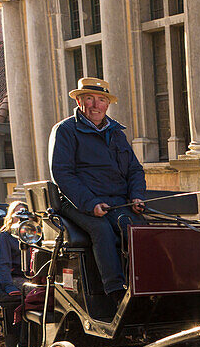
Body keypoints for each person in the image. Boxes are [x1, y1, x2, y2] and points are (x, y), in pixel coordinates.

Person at [48, 77, 147, 307]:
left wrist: (137, 196)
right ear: (80, 101)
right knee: (101, 229)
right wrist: (90, 203)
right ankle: (114, 293)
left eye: (101, 99)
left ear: (107, 104)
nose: (95, 105)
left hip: (118, 202)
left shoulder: (117, 133)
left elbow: (135, 170)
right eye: (89, 99)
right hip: (78, 202)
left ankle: (143, 286)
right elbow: (63, 174)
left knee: (138, 230)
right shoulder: (66, 130)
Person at [0, 201, 35, 347]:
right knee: (31, 292)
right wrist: (8, 285)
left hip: (33, 276)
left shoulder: (34, 234)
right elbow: (3, 264)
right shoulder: (5, 236)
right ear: (11, 217)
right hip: (16, 278)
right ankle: (23, 345)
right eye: (18, 214)